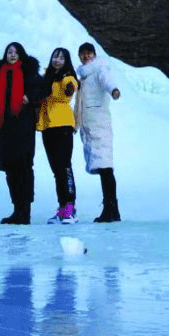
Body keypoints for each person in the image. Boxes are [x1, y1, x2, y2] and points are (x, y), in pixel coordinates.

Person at [0, 41, 45, 225]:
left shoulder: (28, 72)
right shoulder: (1, 74)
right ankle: (16, 209)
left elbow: (43, 88)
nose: (12, 54)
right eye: (9, 52)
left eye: (15, 52)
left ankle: (25, 211)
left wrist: (30, 97)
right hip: (5, 128)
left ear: (21, 54)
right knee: (10, 169)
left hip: (24, 126)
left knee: (24, 167)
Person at [74, 41, 121, 222]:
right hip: (90, 128)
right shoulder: (84, 77)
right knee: (103, 169)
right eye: (82, 53)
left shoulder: (99, 69)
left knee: (106, 168)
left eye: (89, 53)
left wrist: (114, 90)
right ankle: (110, 208)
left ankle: (111, 209)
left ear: (94, 55)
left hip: (99, 126)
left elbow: (107, 80)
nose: (86, 56)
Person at [37, 47, 79, 224]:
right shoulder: (46, 78)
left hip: (63, 125)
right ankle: (62, 209)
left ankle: (70, 209)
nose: (57, 60)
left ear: (66, 61)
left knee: (64, 168)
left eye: (61, 58)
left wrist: (68, 83)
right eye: (55, 56)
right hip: (47, 126)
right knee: (57, 171)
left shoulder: (67, 76)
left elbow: (70, 88)